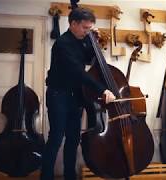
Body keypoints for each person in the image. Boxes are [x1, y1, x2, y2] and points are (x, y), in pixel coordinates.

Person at [41, 8, 116, 180]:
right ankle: (46, 177)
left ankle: (69, 176)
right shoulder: (62, 43)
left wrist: (94, 42)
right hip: (58, 95)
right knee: (56, 138)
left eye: (90, 28)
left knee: (73, 140)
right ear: (73, 24)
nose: (87, 31)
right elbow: (79, 72)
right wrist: (102, 89)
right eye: (85, 28)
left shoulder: (83, 40)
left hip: (76, 97)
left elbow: (90, 60)